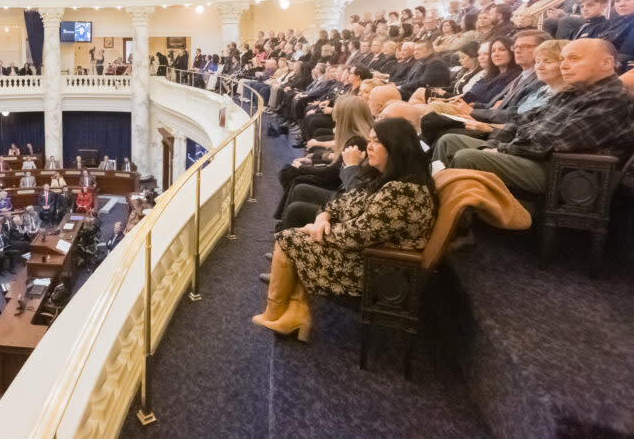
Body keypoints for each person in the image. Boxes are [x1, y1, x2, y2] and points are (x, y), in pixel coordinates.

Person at [254, 118, 437, 338]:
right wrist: (323, 216)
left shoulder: (404, 192)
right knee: (295, 235)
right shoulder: (388, 179)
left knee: (288, 239)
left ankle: (276, 312)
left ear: (396, 146)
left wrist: (314, 230)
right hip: (368, 257)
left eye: (377, 141)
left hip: (376, 271)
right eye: (369, 140)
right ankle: (294, 314)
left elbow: (357, 235)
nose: (368, 146)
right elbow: (347, 201)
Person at [433, 39, 634, 194]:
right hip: (536, 156)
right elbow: (522, 121)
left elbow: (555, 140)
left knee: (466, 156)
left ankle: (458, 227)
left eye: (574, 59)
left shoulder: (613, 99)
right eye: (562, 59)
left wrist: (501, 149)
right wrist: (496, 145)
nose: (564, 65)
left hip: (566, 172)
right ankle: (433, 201)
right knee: (450, 141)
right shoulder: (571, 92)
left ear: (607, 63)